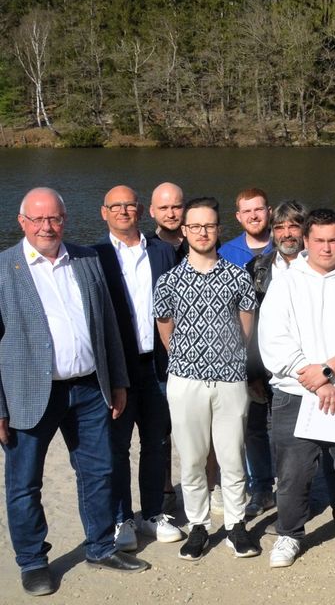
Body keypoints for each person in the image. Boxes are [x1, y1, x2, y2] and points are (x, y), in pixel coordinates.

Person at [1, 187, 148, 596]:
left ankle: (100, 546)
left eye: (55, 219)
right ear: (22, 222)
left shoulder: (86, 259)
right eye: (38, 219)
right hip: (29, 394)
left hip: (88, 388)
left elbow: (108, 327)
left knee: (98, 471)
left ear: (64, 219)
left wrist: (117, 380)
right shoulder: (3, 269)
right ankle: (33, 561)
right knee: (25, 482)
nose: (47, 227)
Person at [256, 208, 335, 567]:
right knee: (294, 471)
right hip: (296, 393)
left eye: (333, 240)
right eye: (319, 241)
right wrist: (312, 377)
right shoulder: (285, 282)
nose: (327, 248)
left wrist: (330, 371)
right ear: (306, 241)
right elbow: (273, 340)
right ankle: (289, 534)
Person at [153, 197, 260, 561]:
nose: (202, 232)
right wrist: (192, 360)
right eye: (195, 226)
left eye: (209, 226)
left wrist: (224, 357)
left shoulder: (237, 275)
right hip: (185, 381)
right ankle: (198, 525)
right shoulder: (168, 281)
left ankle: (235, 525)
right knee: (194, 458)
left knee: (232, 456)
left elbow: (245, 327)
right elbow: (166, 330)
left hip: (230, 379)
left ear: (218, 229)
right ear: (184, 231)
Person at [93, 185, 181, 551]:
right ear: (104, 212)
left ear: (141, 210)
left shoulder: (162, 251)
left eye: (130, 205)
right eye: (117, 206)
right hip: (119, 368)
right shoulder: (92, 256)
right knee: (117, 448)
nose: (124, 211)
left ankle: (152, 513)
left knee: (156, 443)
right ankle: (121, 518)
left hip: (157, 365)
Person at [244, 200, 309, 519]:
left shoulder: (318, 265)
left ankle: (297, 490)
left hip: (305, 366)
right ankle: (260, 489)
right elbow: (248, 323)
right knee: (256, 428)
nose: (286, 233)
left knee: (298, 433)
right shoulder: (258, 267)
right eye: (280, 227)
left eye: (293, 226)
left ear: (304, 230)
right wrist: (251, 370)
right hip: (263, 363)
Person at [219, 187, 272, 267]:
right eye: (247, 211)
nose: (253, 216)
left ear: (269, 212)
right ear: (239, 217)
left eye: (258, 209)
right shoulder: (225, 253)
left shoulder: (285, 246)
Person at [149, 181, 186, 252]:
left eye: (176, 207)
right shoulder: (145, 246)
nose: (170, 215)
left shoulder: (201, 243)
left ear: (185, 208)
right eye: (163, 208)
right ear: (152, 211)